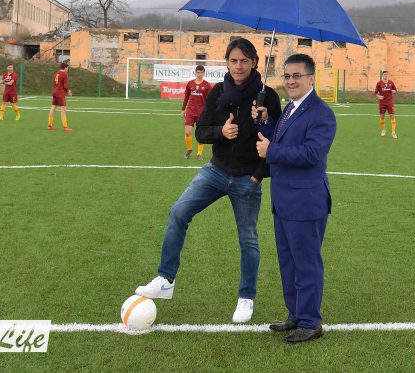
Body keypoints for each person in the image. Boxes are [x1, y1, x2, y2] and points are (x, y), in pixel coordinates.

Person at [135, 38, 281, 323]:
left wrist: (257, 174)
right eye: (233, 60)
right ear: (226, 62)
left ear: (254, 63)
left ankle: (246, 297)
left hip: (247, 179)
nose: (238, 66)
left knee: (248, 239)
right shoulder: (218, 93)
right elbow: (201, 131)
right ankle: (166, 279)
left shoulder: (268, 97)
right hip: (216, 171)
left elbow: (277, 141)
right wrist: (220, 133)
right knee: (178, 212)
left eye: (244, 61)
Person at [253, 53, 336, 343]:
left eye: (296, 76)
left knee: (306, 263)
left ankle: (311, 322)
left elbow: (312, 154)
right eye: (287, 76)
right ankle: (296, 315)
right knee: (288, 262)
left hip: (306, 202)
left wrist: (272, 151)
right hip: (284, 200)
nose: (290, 81)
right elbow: (279, 142)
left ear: (311, 78)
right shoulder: (290, 108)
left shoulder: (321, 113)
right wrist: (265, 123)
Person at [181, 65, 212, 160]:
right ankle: (189, 149)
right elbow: (186, 97)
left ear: (204, 73)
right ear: (195, 73)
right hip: (190, 111)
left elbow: (210, 100)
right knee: (187, 132)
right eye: (198, 72)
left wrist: (209, 111)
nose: (199, 74)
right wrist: (183, 109)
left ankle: (199, 154)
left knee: (200, 134)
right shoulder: (190, 83)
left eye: (201, 72)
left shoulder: (207, 85)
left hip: (202, 112)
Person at [48, 62, 72, 131]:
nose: (67, 69)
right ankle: (65, 127)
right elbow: (65, 86)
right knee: (63, 109)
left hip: (55, 91)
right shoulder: (64, 74)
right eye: (67, 68)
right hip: (60, 93)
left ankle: (49, 125)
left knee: (53, 108)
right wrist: (68, 91)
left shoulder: (57, 73)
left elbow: (55, 83)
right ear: (65, 68)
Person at [374, 70, 397, 138]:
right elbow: (375, 92)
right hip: (382, 103)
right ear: (382, 75)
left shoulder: (391, 83)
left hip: (390, 102)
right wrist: (379, 96)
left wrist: (393, 91)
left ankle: (393, 132)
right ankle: (383, 130)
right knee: (382, 116)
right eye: (384, 74)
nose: (386, 76)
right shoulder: (379, 83)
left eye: (387, 74)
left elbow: (395, 90)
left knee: (392, 116)